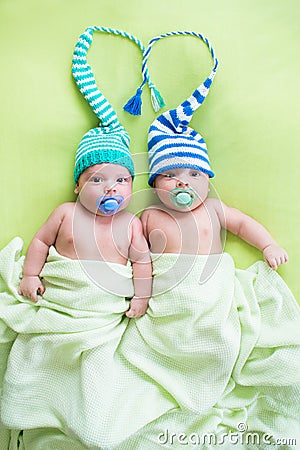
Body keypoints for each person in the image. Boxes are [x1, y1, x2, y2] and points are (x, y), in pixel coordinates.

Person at [18, 26, 153, 318]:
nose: (110, 188)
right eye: (96, 179)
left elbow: (141, 263)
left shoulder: (131, 224)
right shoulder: (65, 213)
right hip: (61, 302)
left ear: (131, 184)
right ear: (77, 186)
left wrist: (141, 298)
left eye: (121, 180)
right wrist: (30, 275)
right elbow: (41, 241)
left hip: (102, 309)